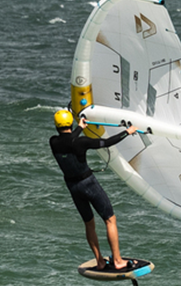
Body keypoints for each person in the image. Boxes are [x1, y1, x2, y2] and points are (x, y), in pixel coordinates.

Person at [49, 108, 139, 271]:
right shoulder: (82, 142)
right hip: (88, 183)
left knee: (89, 224)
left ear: (56, 126)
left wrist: (80, 128)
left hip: (73, 187)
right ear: (70, 122)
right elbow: (106, 143)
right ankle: (118, 260)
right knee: (110, 219)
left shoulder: (53, 142)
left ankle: (100, 261)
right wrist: (127, 132)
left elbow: (68, 140)